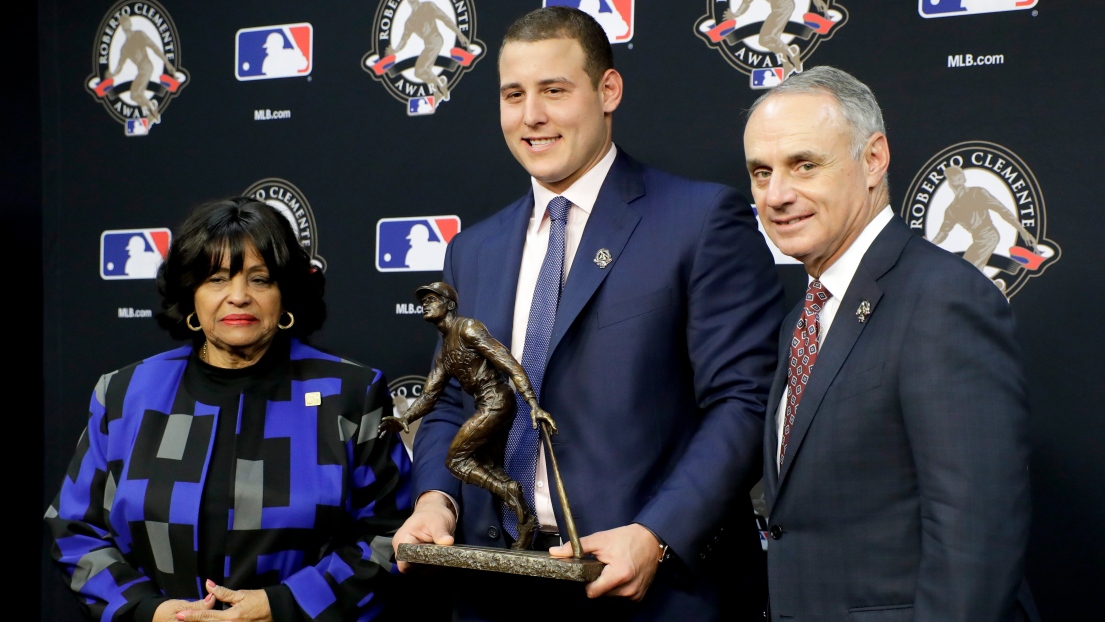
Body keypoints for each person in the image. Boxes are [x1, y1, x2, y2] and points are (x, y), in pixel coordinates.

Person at [394, 6, 784, 620]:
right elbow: (450, 403)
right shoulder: (473, 249)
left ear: (608, 91)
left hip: (646, 592)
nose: (532, 116)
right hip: (494, 587)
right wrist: (436, 499)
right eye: (513, 94)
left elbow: (745, 401)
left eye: (554, 90)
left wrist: (656, 534)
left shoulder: (701, 221)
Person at [742, 66, 1035, 621]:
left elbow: (975, 536)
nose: (777, 195)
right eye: (761, 173)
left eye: (804, 165)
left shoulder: (942, 299)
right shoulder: (801, 319)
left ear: (873, 158)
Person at [45, 197, 412, 622]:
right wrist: (149, 612)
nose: (238, 297)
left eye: (260, 279)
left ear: (285, 293)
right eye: (217, 279)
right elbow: (74, 530)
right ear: (191, 295)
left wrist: (282, 606)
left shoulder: (349, 394)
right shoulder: (126, 394)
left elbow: (391, 535)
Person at [379, 282, 557, 547]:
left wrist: (533, 404)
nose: (425, 303)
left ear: (449, 305)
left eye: (432, 298)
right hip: (486, 405)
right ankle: (526, 523)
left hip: (496, 401)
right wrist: (406, 418)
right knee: (490, 466)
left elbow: (507, 362)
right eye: (423, 300)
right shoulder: (444, 351)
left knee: (456, 460)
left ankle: (510, 492)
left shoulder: (468, 328)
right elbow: (430, 395)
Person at [931, 165, 1038, 277]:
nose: (953, 178)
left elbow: (1001, 210)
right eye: (950, 176)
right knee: (966, 270)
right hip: (977, 240)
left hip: (988, 236)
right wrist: (930, 244)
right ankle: (995, 286)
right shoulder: (951, 210)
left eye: (956, 175)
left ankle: (992, 287)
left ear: (963, 178)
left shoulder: (977, 193)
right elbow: (943, 232)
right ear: (948, 181)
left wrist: (1021, 230)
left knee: (969, 271)